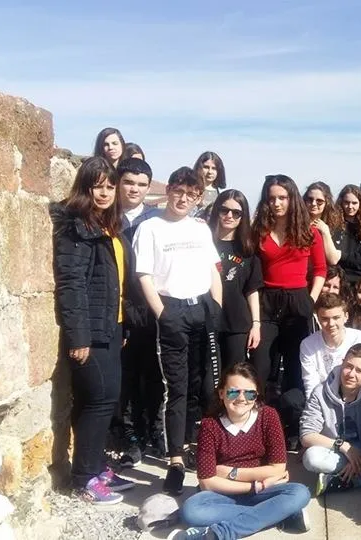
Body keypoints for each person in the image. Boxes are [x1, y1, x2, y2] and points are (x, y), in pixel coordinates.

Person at [134, 166, 223, 495]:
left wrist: (217, 305)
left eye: (191, 194)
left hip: (201, 307)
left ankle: (203, 450)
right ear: (169, 190)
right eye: (179, 191)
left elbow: (212, 268)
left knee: (206, 386)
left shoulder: (200, 228)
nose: (184, 198)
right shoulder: (151, 227)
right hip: (171, 309)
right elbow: (144, 275)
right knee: (177, 388)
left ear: (198, 197)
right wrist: (162, 315)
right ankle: (174, 460)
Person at [52, 156, 135, 504]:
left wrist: (124, 323)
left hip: (111, 326)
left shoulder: (107, 224)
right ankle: (85, 477)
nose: (104, 192)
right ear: (85, 188)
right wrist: (79, 336)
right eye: (96, 185)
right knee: (99, 400)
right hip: (91, 332)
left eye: (109, 185)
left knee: (99, 400)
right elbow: (70, 284)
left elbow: (116, 280)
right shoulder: (76, 226)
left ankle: (95, 465)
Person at [170, 363, 310, 540]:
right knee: (191, 510)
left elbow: (278, 468)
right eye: (233, 392)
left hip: (264, 493)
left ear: (257, 394)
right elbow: (207, 482)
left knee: (300, 492)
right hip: (226, 494)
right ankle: (278, 515)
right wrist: (254, 486)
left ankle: (219, 533)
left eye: (250, 393)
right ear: (222, 393)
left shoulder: (269, 416)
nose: (242, 398)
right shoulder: (209, 425)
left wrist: (232, 473)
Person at [250, 175, 326, 398]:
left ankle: (292, 423)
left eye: (282, 197)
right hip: (267, 301)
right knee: (262, 364)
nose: (277, 203)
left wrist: (310, 299)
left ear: (292, 199)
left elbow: (321, 270)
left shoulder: (309, 232)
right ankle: (260, 416)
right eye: (272, 198)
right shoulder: (259, 232)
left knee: (295, 367)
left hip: (298, 300)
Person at [116, 157, 164, 466]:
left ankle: (155, 432)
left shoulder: (156, 219)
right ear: (119, 183)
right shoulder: (108, 217)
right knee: (127, 377)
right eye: (129, 182)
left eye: (141, 184)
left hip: (152, 307)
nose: (134, 189)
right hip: (120, 307)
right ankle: (132, 437)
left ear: (148, 188)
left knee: (156, 376)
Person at [300, 344, 361, 494]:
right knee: (311, 458)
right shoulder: (320, 392)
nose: (351, 374)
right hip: (334, 448)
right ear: (342, 362)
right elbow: (307, 435)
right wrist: (344, 447)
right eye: (348, 366)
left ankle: (347, 480)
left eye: (359, 371)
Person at [207, 190, 263, 369]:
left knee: (234, 375)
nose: (229, 216)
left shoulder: (247, 249)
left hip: (237, 323)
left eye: (236, 212)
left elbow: (251, 290)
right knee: (208, 380)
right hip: (205, 321)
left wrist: (256, 325)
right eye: (224, 210)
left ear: (242, 216)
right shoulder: (203, 241)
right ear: (217, 210)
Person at [300, 293, 361, 398]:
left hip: (352, 396)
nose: (331, 324)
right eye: (325, 319)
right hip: (321, 396)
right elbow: (311, 384)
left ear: (346, 316)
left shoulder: (359, 338)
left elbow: (359, 379)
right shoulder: (308, 344)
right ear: (318, 319)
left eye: (336, 318)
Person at [334, 185, 361, 283]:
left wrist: (341, 256)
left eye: (354, 203)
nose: (350, 207)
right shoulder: (333, 227)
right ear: (341, 202)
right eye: (347, 202)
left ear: (360, 204)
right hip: (339, 281)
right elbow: (332, 260)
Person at [305, 182, 344, 267]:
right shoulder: (297, 223)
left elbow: (333, 260)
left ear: (327, 203)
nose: (313, 204)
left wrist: (325, 231)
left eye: (319, 201)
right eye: (310, 199)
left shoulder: (335, 226)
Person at [193, 151, 226, 218]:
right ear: (199, 168)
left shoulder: (222, 195)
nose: (210, 172)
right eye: (206, 167)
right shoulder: (191, 190)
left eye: (214, 168)